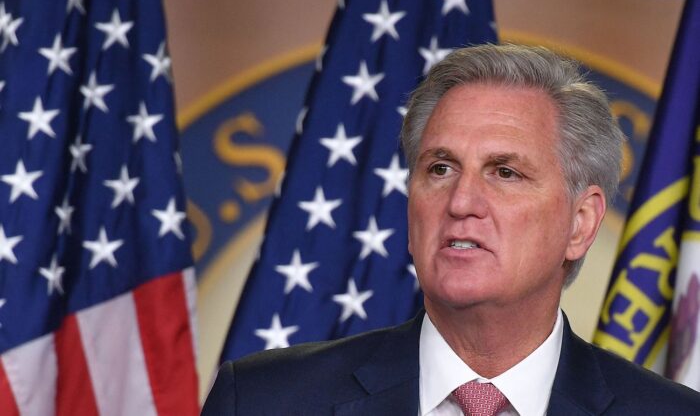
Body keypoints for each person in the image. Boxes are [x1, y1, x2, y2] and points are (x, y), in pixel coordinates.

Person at [201, 44, 700, 415]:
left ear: (581, 222)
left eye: (505, 173)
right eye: (440, 168)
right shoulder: (264, 401)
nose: (461, 202)